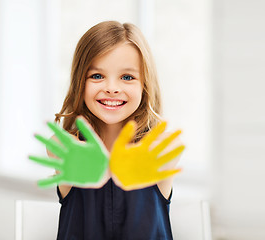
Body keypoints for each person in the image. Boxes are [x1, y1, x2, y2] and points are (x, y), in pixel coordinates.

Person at [49, 20, 183, 240]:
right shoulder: (65, 147)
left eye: (127, 77)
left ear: (145, 86)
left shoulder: (160, 148)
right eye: (97, 76)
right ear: (79, 82)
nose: (112, 88)